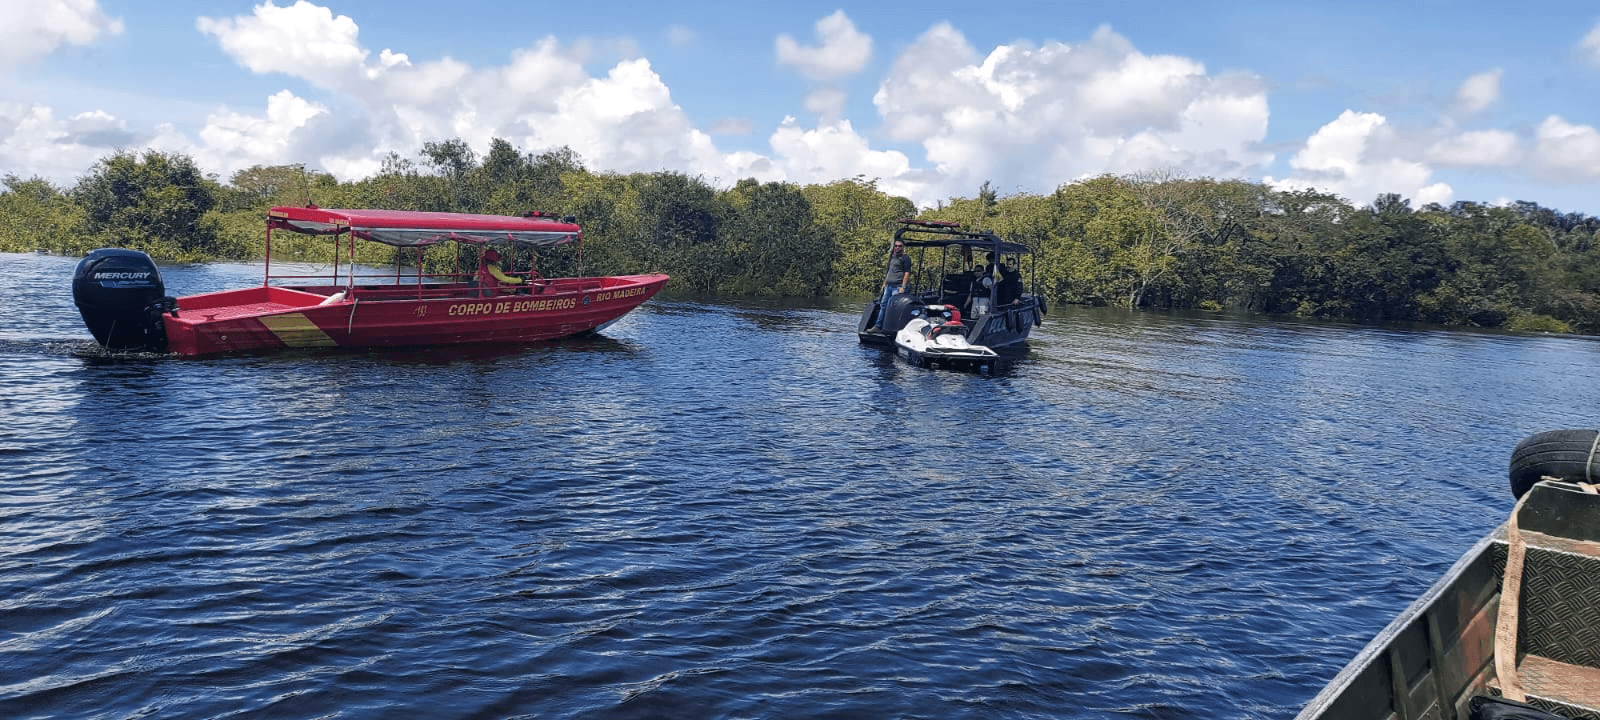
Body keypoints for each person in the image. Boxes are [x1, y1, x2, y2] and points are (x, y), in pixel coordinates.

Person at [873, 241, 911, 330]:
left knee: (894, 307)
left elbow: (907, 273)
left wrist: (903, 287)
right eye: (896, 246)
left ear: (903, 247)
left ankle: (891, 328)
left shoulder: (905, 258)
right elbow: (889, 271)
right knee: (883, 305)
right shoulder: (892, 257)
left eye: (899, 246)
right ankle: (878, 326)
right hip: (889, 286)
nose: (897, 248)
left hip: (898, 286)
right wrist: (885, 283)